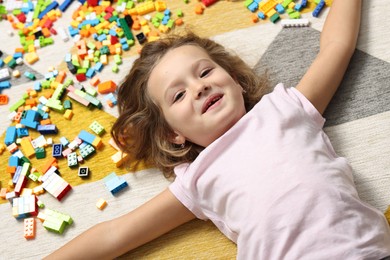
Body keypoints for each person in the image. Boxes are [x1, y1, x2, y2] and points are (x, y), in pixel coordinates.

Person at [46, 0, 390, 259]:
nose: (198, 87)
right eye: (178, 95)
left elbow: (336, 48)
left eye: (205, 72)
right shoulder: (197, 178)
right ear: (171, 134)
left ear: (237, 80)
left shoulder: (285, 107)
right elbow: (114, 234)